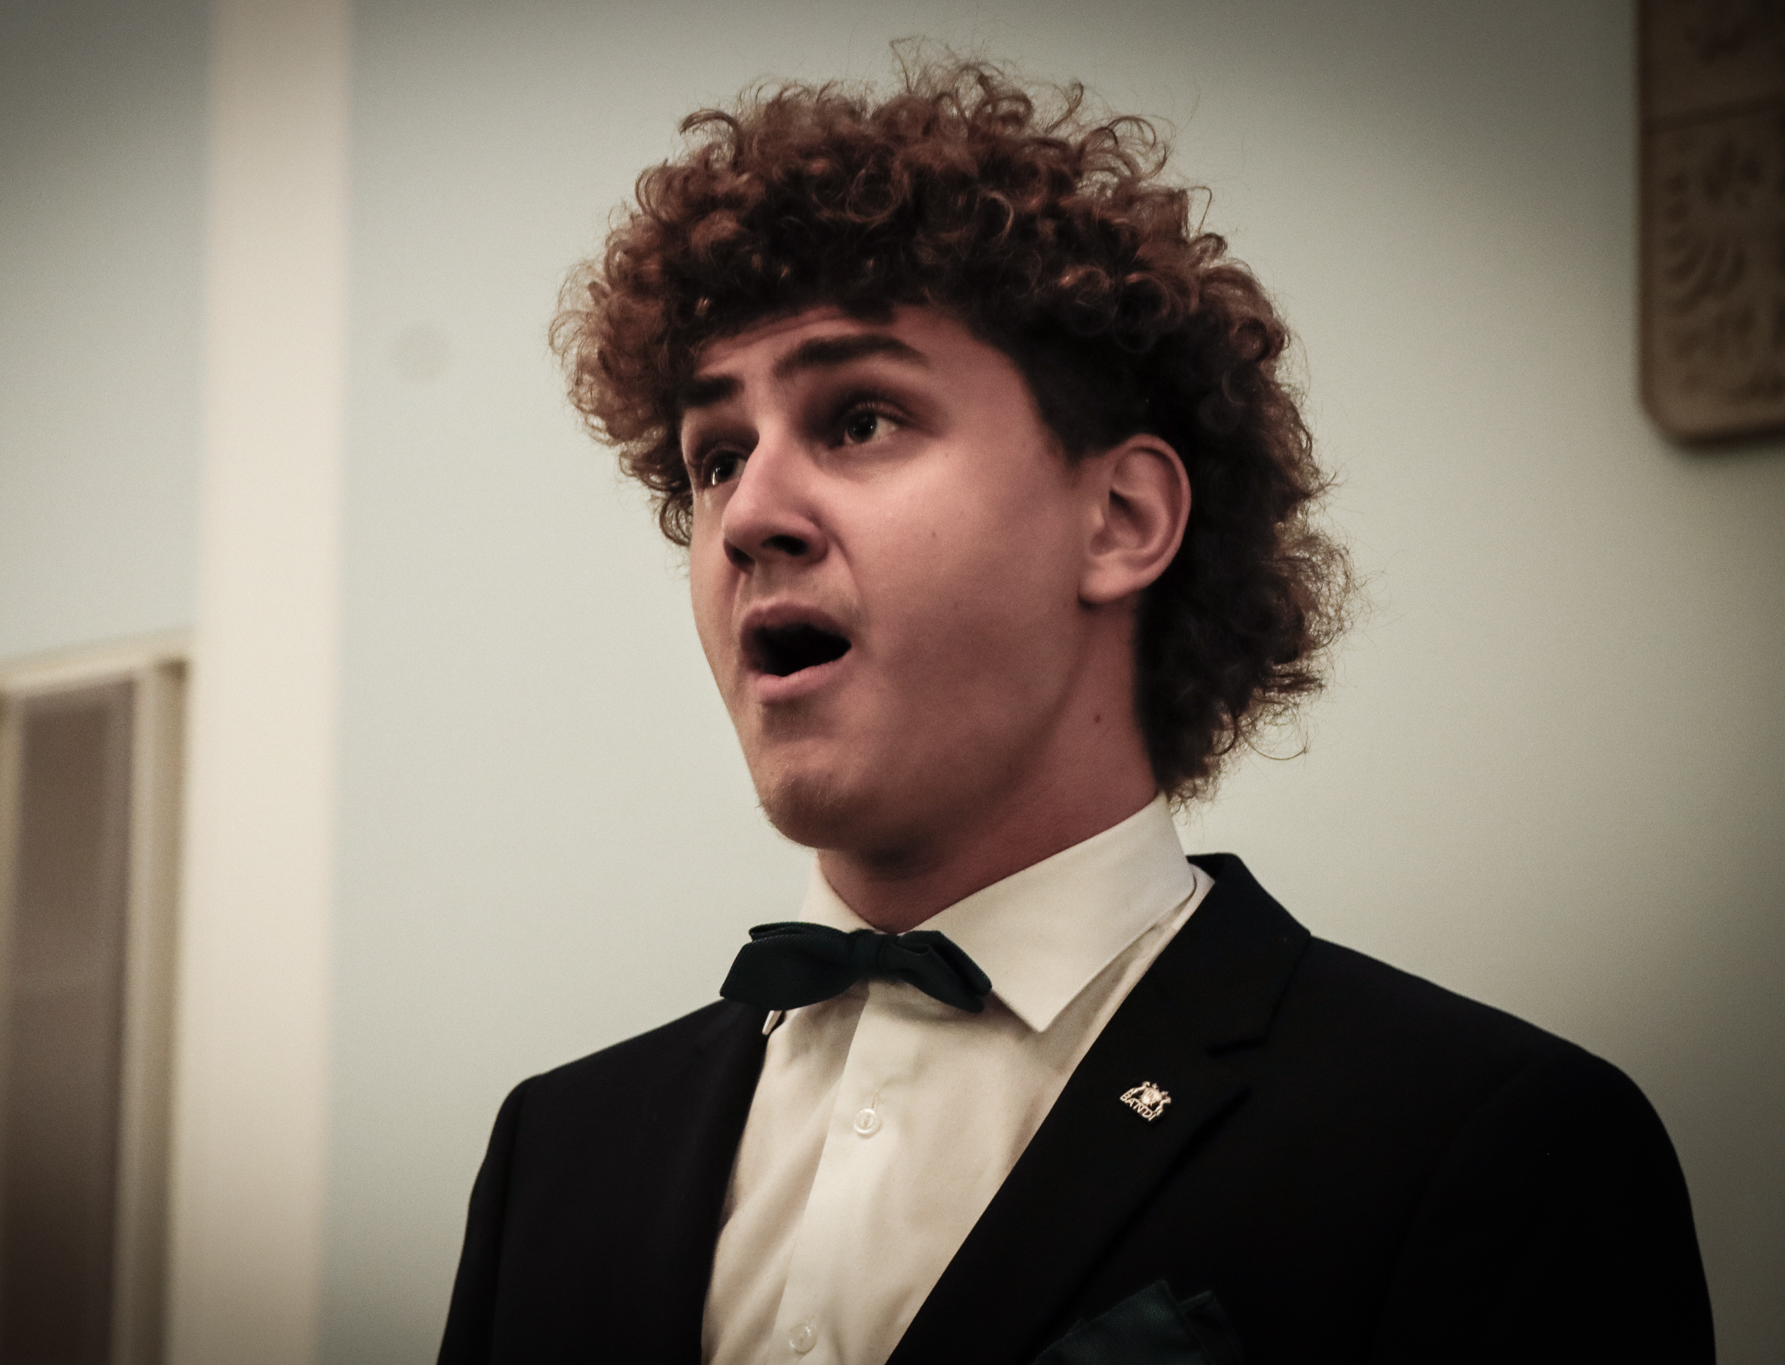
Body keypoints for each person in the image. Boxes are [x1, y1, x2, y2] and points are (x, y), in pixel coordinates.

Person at [437, 62, 1712, 1365]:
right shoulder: (556, 1154)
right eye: (717, 458)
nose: (748, 515)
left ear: (1120, 519)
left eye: (860, 419)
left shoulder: (1487, 1146)